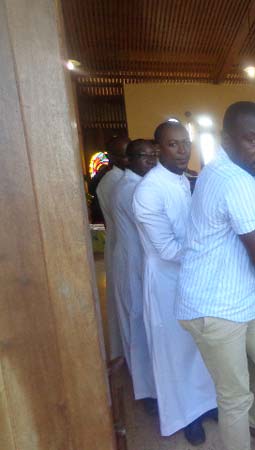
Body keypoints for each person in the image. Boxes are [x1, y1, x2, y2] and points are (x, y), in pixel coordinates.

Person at [176, 101, 255, 450]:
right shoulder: (236, 181)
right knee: (234, 398)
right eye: (252, 140)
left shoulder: (217, 168)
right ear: (226, 139)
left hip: (243, 293)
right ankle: (247, 428)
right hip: (213, 305)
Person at [132, 122, 217, 445]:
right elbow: (167, 249)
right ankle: (185, 415)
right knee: (175, 350)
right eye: (173, 144)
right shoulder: (148, 190)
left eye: (186, 143)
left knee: (200, 344)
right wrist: (210, 251)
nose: (183, 151)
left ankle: (207, 403)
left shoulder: (184, 179)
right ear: (158, 148)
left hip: (193, 275)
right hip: (166, 281)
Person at [111, 139, 158, 414]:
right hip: (133, 263)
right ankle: (148, 392)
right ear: (129, 160)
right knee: (138, 324)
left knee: (140, 322)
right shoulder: (132, 189)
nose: (151, 160)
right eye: (144, 156)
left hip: (136, 260)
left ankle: (149, 386)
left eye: (154, 155)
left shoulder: (137, 184)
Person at [96, 135, 130, 360]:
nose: (129, 159)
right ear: (113, 157)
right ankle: (123, 355)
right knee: (124, 303)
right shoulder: (112, 182)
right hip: (121, 243)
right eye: (125, 155)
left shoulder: (126, 178)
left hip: (125, 243)